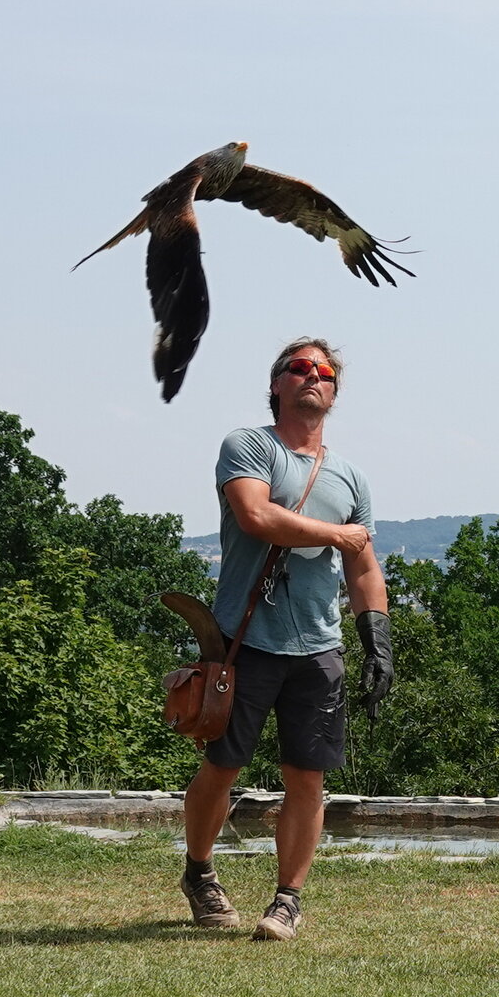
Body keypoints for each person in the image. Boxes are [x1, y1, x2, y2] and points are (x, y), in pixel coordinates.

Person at [180, 338, 394, 941]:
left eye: (324, 372)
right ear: (276, 384)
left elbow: (364, 567)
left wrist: (376, 639)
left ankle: (287, 901)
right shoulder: (249, 446)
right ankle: (199, 873)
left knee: (308, 777)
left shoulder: (350, 476)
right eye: (299, 368)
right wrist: (338, 534)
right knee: (222, 766)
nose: (313, 378)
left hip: (318, 647)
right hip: (245, 641)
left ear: (335, 392)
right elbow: (257, 516)